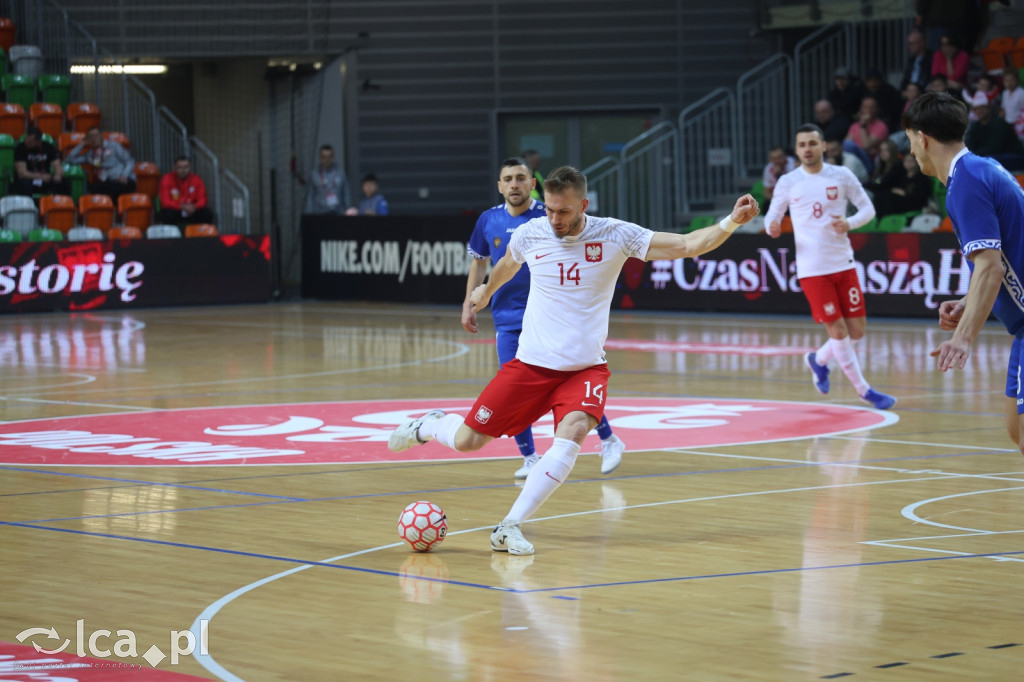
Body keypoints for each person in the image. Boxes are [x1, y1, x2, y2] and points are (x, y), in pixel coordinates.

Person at [388, 166, 760, 554]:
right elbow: (508, 264)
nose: (554, 219)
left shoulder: (615, 234)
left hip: (584, 367)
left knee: (575, 431)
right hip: (531, 365)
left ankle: (509, 526)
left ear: (583, 204)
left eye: (563, 212)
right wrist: (485, 290)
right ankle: (430, 425)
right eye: (549, 209)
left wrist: (731, 221)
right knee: (468, 440)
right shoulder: (533, 232)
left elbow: (687, 244)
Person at [462, 157, 627, 478]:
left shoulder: (550, 215)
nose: (514, 184)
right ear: (499, 186)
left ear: (532, 183)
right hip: (508, 318)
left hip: (552, 319)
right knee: (515, 388)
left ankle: (608, 438)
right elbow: (480, 263)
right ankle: (529, 457)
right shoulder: (488, 220)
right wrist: (470, 301)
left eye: (520, 178)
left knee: (568, 381)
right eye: (507, 179)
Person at [902, 91, 1024, 454]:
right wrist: (968, 301)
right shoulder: (979, 168)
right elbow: (997, 260)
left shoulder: (966, 183)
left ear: (922, 138)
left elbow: (990, 266)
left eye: (910, 141)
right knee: (1017, 432)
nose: (910, 151)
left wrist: (963, 338)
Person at [764, 124, 896, 411]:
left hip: (843, 262)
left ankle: (818, 360)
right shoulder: (788, 181)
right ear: (796, 150)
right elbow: (771, 217)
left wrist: (849, 223)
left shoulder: (842, 175)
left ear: (823, 146)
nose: (807, 149)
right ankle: (865, 391)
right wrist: (772, 226)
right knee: (837, 332)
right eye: (802, 145)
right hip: (812, 269)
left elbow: (868, 210)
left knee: (856, 332)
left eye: (813, 143)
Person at [65, 126, 136, 200]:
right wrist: (80, 145)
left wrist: (125, 175)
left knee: (115, 189)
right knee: (94, 189)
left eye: (96, 135)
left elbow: (130, 161)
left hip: (124, 179)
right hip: (108, 181)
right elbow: (69, 160)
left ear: (101, 136)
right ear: (88, 140)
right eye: (91, 137)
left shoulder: (113, 146)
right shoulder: (90, 155)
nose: (94, 138)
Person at [964, 91, 1024, 170]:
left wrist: (976, 154)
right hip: (990, 156)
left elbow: (995, 147)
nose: (980, 111)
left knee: (988, 160)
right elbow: (969, 145)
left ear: (989, 108)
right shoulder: (975, 126)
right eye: (977, 109)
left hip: (1010, 156)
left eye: (982, 108)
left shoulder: (999, 123)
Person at [11, 126, 69, 197]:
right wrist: (40, 177)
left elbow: (57, 166)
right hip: (30, 179)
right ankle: (28, 206)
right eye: (26, 140)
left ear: (38, 142)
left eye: (30, 142)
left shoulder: (48, 147)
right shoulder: (20, 148)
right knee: (24, 184)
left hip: (45, 179)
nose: (26, 143)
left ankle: (60, 205)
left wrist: (58, 175)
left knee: (65, 182)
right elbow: (22, 173)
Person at [157, 156, 215, 226]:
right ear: (174, 168)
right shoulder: (167, 179)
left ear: (190, 167)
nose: (183, 170)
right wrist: (181, 206)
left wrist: (194, 207)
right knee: (167, 214)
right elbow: (165, 201)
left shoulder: (197, 179)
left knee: (207, 213)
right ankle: (170, 236)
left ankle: (203, 235)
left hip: (193, 210)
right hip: (176, 210)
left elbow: (203, 199)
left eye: (185, 167)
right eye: (180, 167)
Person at [873, 153, 932, 219]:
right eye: (906, 161)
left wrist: (905, 193)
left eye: (911, 161)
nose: (908, 163)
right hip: (900, 199)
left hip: (912, 202)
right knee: (879, 196)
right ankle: (881, 221)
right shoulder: (902, 175)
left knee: (888, 199)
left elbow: (921, 197)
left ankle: (889, 220)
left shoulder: (922, 178)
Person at [304, 144, 351, 216]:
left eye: (330, 156)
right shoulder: (314, 174)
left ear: (333, 157)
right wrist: (308, 215)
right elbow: (310, 197)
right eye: (324, 157)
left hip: (338, 213)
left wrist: (349, 211)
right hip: (319, 213)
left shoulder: (341, 173)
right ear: (320, 157)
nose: (327, 159)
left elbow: (346, 194)